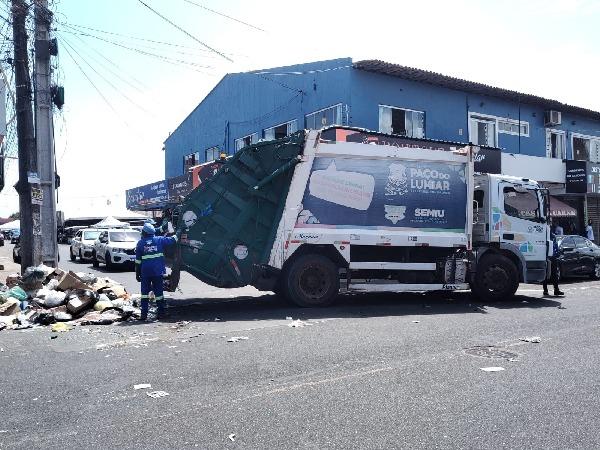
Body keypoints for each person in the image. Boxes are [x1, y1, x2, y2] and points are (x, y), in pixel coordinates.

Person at [135, 222, 178, 320]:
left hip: (145, 272)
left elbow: (137, 261)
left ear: (144, 233)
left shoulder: (140, 243)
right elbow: (173, 240)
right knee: (159, 293)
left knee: (144, 294)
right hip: (157, 272)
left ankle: (143, 315)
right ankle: (161, 313)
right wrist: (179, 231)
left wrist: (137, 274)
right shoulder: (159, 240)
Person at [543, 231, 564, 297]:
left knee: (554, 274)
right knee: (546, 274)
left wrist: (557, 253)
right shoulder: (543, 235)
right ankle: (545, 290)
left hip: (552, 256)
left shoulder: (553, 236)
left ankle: (556, 290)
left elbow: (555, 246)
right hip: (546, 257)